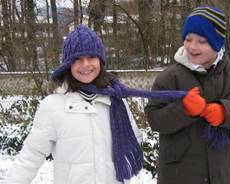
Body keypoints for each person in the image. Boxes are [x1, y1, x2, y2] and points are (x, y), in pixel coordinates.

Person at [5, 25, 145, 184]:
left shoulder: (117, 102)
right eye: (77, 59)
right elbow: (31, 156)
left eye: (91, 57)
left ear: (100, 60)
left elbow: (133, 140)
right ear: (68, 64)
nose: (86, 64)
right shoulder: (52, 107)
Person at [144, 5, 230, 184]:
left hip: (220, 174)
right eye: (188, 38)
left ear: (217, 42)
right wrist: (184, 109)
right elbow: (154, 119)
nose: (192, 46)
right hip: (178, 175)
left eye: (202, 41)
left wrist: (225, 112)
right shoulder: (170, 77)